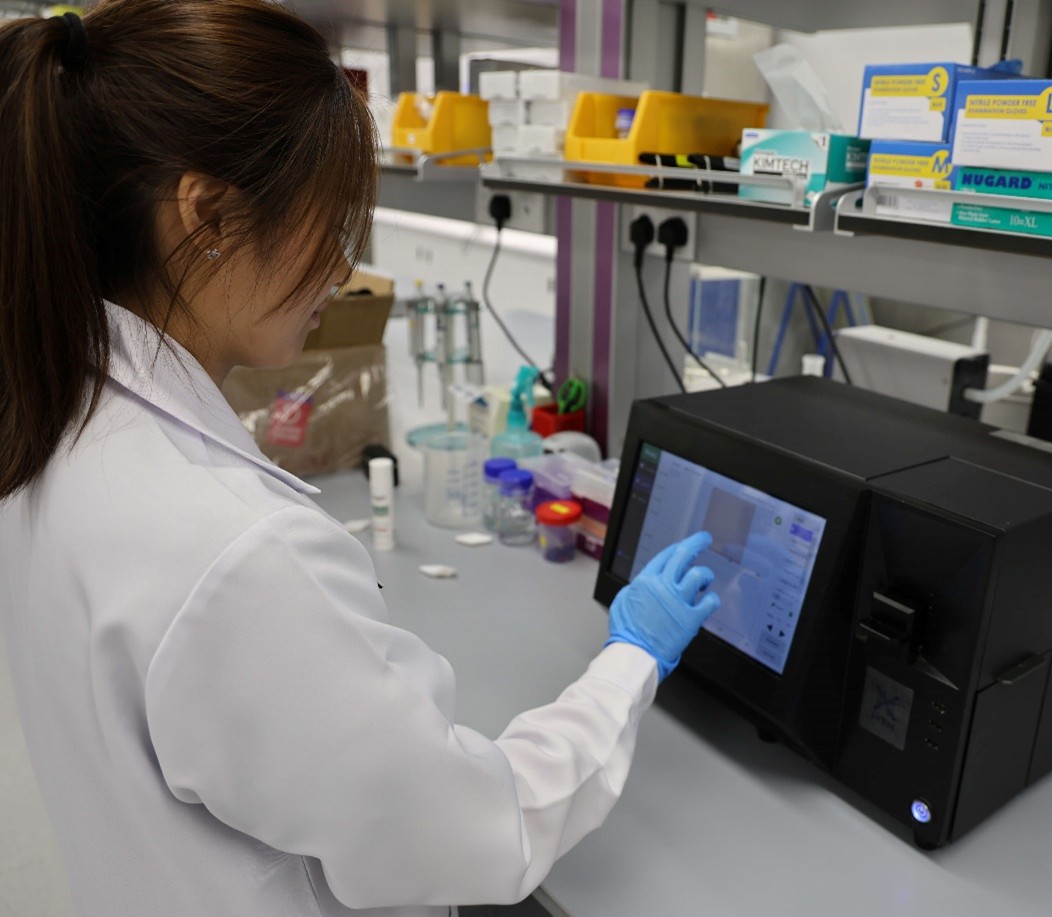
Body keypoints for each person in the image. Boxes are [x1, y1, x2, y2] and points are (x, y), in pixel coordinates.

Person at [0, 2, 722, 914]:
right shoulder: (230, 553)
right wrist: (628, 661)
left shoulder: (53, 415)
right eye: (330, 225)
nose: (342, 271)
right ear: (209, 213)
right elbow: (480, 833)